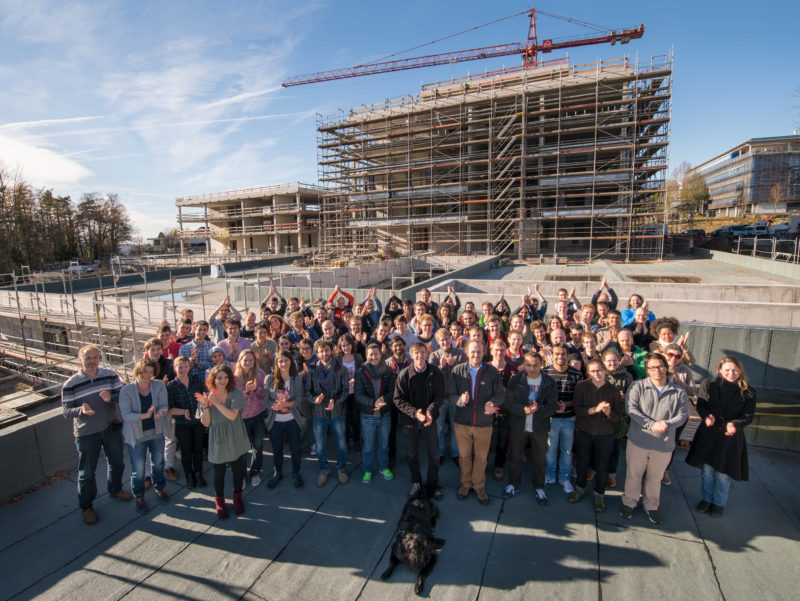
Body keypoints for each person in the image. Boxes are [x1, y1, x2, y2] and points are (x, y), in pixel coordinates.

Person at [62, 345, 132, 524]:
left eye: (95, 357)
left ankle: (115, 489)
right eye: (88, 358)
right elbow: (66, 411)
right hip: (87, 433)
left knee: (117, 462)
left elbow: (122, 395)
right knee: (87, 472)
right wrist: (80, 410)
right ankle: (86, 506)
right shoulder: (70, 384)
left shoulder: (110, 375)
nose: (92, 361)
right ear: (80, 359)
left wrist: (111, 398)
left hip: (111, 427)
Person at [619, 352, 688, 525]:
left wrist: (667, 424)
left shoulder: (678, 392)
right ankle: (629, 502)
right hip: (638, 441)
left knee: (654, 478)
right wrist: (651, 425)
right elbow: (631, 409)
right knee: (634, 474)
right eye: (652, 367)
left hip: (663, 444)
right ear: (647, 370)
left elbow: (682, 415)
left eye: (660, 367)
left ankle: (651, 506)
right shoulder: (637, 386)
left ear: (666, 368)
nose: (657, 370)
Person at [685, 356, 756, 518]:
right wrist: (706, 416)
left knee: (723, 473)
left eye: (735, 370)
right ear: (720, 371)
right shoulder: (709, 384)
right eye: (727, 370)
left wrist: (736, 424)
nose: (731, 373)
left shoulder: (748, 391)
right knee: (707, 471)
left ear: (740, 371)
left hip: (730, 436)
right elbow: (701, 404)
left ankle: (719, 503)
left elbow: (748, 416)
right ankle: (706, 499)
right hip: (709, 433)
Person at [447, 339, 505, 505]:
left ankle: (479, 486)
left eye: (479, 351)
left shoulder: (492, 371)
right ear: (467, 352)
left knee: (481, 458)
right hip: (462, 423)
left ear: (484, 352)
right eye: (473, 351)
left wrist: (492, 402)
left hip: (484, 424)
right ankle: (465, 484)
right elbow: (450, 394)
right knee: (464, 457)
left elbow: (501, 394)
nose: (476, 354)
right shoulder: (457, 370)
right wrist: (459, 399)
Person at [195, 364, 251, 519]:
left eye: (226, 377)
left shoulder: (236, 393)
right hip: (217, 439)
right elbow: (205, 423)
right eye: (219, 377)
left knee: (238, 471)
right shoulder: (207, 397)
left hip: (235, 435)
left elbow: (233, 416)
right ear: (213, 379)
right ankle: (219, 501)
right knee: (218, 475)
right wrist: (206, 407)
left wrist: (216, 403)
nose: (223, 380)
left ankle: (237, 498)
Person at [568, 360, 624, 512]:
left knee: (602, 465)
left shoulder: (613, 390)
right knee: (582, 462)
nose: (596, 374)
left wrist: (607, 413)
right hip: (584, 432)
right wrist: (594, 410)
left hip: (605, 434)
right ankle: (580, 488)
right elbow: (578, 410)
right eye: (592, 371)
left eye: (599, 370)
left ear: (605, 370)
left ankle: (599, 494)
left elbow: (618, 417)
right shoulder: (582, 386)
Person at [503, 352, 557, 505]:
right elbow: (509, 402)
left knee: (540, 459)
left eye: (535, 365)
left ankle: (539, 487)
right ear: (524, 365)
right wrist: (523, 410)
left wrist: (539, 409)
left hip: (539, 427)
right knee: (515, 456)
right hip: (519, 425)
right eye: (528, 365)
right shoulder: (516, 379)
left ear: (541, 364)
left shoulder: (549, 382)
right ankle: (513, 484)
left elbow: (552, 406)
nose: (532, 368)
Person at [393, 341, 445, 499]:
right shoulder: (404, 375)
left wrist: (430, 412)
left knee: (434, 454)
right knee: (412, 454)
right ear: (411, 354)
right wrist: (415, 413)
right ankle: (416, 482)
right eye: (417, 353)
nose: (420, 356)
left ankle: (432, 484)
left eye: (423, 353)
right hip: (411, 420)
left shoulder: (435, 372)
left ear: (427, 354)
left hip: (429, 419)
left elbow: (439, 396)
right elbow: (398, 400)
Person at [119, 359, 171, 514]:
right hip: (136, 435)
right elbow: (126, 415)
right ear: (137, 371)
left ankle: (159, 488)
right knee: (139, 469)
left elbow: (164, 405)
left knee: (158, 463)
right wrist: (145, 416)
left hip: (156, 432)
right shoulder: (126, 390)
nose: (147, 375)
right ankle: (139, 496)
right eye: (144, 371)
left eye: (150, 372)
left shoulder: (159, 385)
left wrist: (161, 412)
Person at [306, 339, 350, 487]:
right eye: (321, 351)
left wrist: (335, 401)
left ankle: (341, 468)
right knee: (320, 445)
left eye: (327, 350)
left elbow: (345, 391)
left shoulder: (341, 369)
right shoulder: (312, 369)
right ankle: (324, 469)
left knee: (342, 443)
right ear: (317, 353)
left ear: (332, 350)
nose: (324, 353)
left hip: (337, 412)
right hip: (319, 412)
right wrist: (314, 399)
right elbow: (308, 391)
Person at [355, 343, 397, 483]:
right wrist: (373, 403)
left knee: (384, 444)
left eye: (376, 354)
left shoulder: (388, 371)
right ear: (366, 356)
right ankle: (367, 469)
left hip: (385, 415)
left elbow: (393, 391)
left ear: (381, 354)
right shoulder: (361, 372)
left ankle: (383, 467)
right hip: (368, 416)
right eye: (370, 354)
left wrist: (383, 400)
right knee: (368, 446)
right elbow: (358, 395)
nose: (373, 357)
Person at [544, 343, 583, 494]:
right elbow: (541, 397)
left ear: (567, 355)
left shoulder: (577, 375)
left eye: (563, 354)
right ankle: (549, 475)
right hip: (551, 419)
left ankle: (564, 478)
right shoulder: (544, 373)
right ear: (552, 355)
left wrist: (567, 404)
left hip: (569, 418)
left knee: (566, 451)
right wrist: (552, 405)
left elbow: (579, 399)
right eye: (557, 354)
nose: (560, 357)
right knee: (550, 450)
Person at [264, 350, 307, 489]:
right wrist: (276, 405)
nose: (283, 363)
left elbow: (299, 400)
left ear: (291, 362)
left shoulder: (297, 379)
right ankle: (278, 472)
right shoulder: (269, 379)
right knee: (277, 449)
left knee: (295, 449)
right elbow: (266, 400)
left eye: (286, 360)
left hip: (292, 420)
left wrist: (286, 404)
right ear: (276, 363)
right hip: (275, 421)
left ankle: (296, 473)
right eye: (280, 361)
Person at [167, 356, 206, 489]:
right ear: (175, 368)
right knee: (186, 451)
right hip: (182, 424)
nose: (183, 370)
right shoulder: (171, 386)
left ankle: (198, 473)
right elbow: (170, 408)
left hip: (198, 421)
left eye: (185, 367)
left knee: (198, 449)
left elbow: (204, 394)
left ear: (189, 367)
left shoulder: (195, 379)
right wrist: (183, 411)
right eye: (180, 367)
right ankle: (189, 475)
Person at [234, 350, 267, 487]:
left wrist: (257, 388)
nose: (248, 363)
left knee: (258, 446)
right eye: (245, 360)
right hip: (242, 417)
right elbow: (233, 399)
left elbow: (265, 394)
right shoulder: (234, 377)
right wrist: (246, 391)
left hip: (258, 415)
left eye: (250, 360)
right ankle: (241, 474)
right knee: (242, 449)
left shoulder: (260, 374)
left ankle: (255, 471)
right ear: (240, 361)